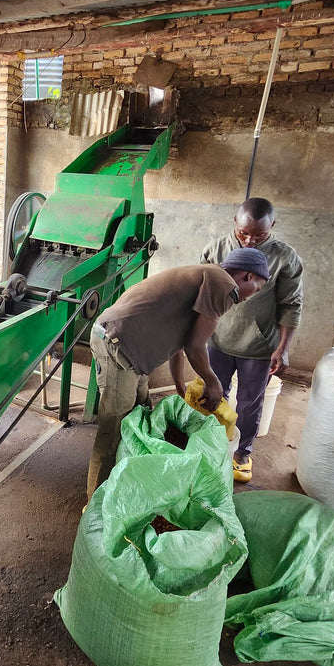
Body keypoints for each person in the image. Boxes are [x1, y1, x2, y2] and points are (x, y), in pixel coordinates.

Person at [86, 248, 269, 499]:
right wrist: (212, 381)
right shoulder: (224, 284)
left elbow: (181, 344)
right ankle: (97, 502)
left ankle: (131, 481)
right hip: (119, 344)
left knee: (141, 413)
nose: (249, 297)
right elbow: (196, 346)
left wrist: (179, 386)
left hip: (130, 349)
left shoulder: (206, 277)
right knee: (114, 427)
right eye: (256, 289)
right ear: (248, 276)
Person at [200, 198, 303, 484]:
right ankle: (211, 446)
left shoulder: (285, 257)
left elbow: (291, 304)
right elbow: (201, 294)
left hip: (258, 347)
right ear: (235, 222)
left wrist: (282, 349)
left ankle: (242, 452)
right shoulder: (216, 249)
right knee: (212, 396)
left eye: (259, 235)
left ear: (273, 226)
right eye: (244, 233)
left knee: (248, 403)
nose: (249, 240)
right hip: (217, 340)